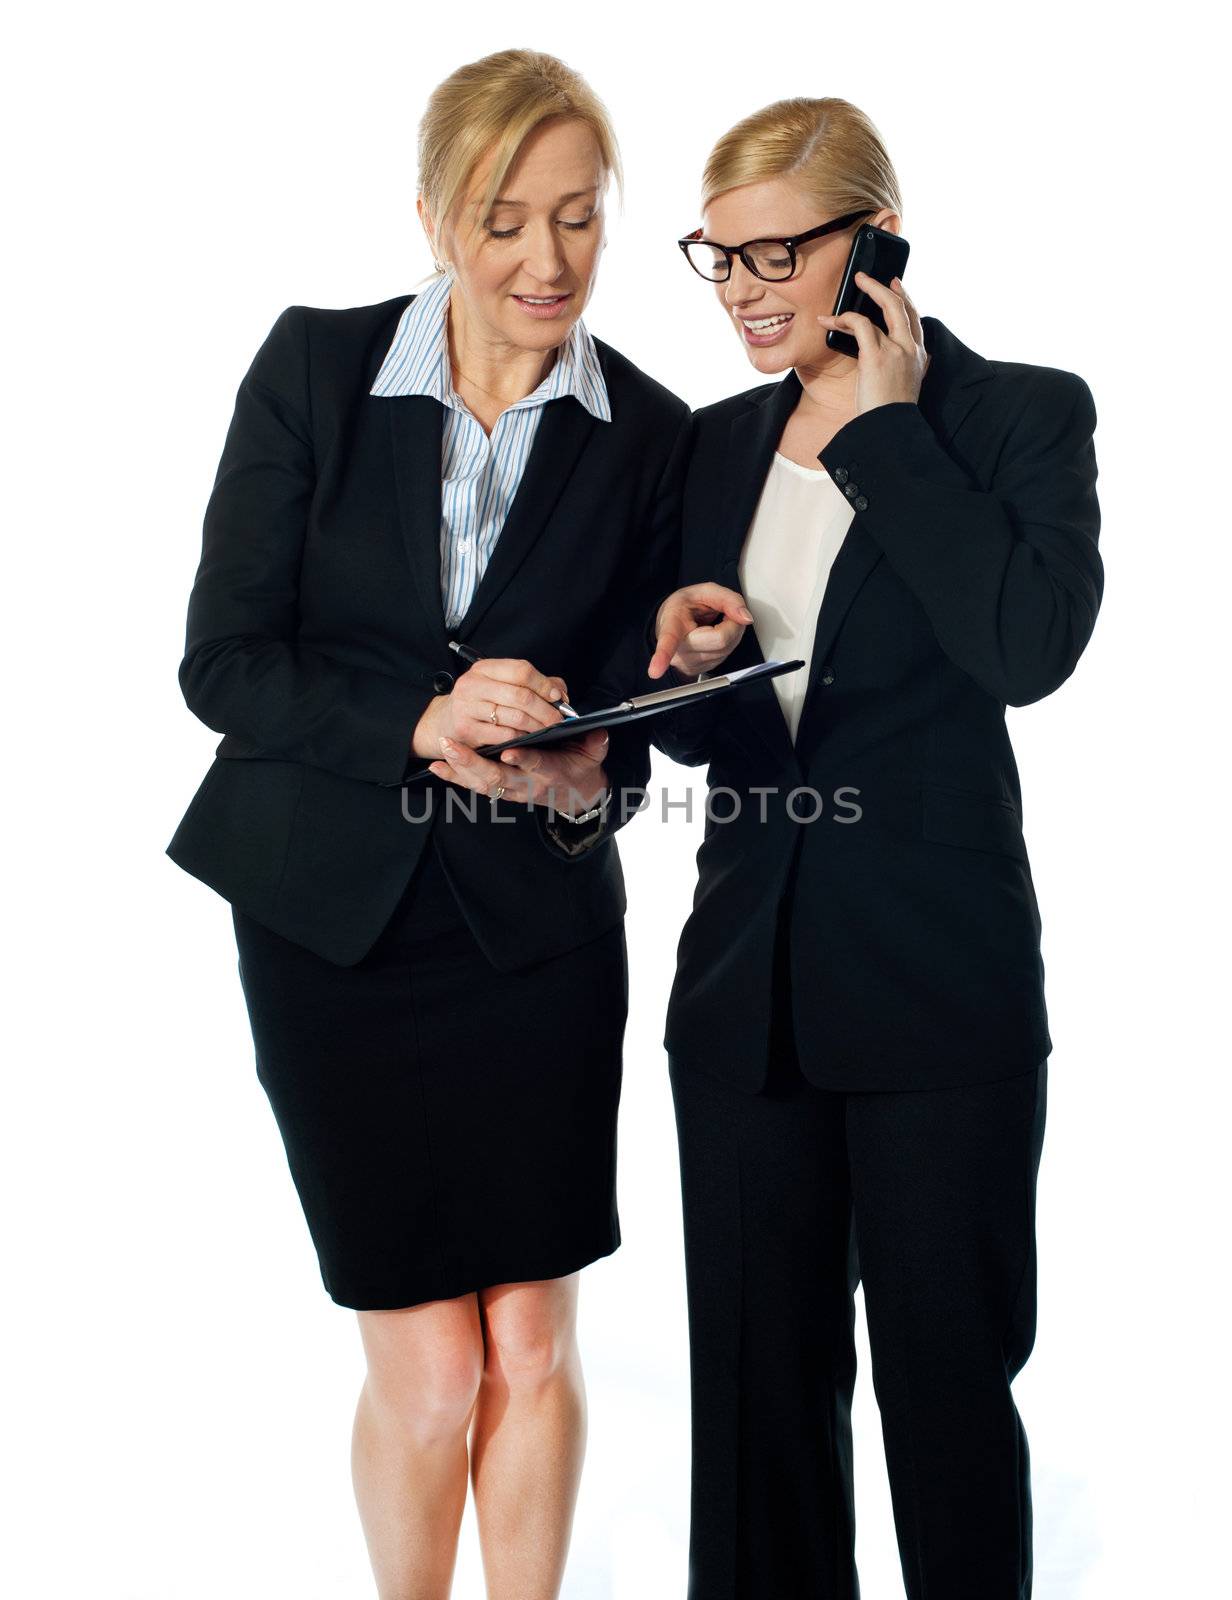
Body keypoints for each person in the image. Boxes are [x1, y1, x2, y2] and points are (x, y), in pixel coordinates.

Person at [166, 49, 688, 1600]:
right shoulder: (316, 371)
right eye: (506, 218)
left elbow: (635, 727)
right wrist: (417, 719)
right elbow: (224, 662)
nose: (547, 261)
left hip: (530, 940)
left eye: (582, 219)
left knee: (531, 1343)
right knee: (432, 1369)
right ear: (434, 218)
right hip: (333, 927)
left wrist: (581, 771)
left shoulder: (652, 434)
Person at [646, 96, 1102, 1599]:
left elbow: (1024, 647)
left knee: (948, 1406)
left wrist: (889, 435)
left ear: (879, 237)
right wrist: (678, 673)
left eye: (786, 249)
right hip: (744, 1009)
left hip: (935, 1002)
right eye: (725, 257)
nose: (751, 289)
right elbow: (717, 736)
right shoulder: (710, 448)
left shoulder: (1014, 415)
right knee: (761, 1424)